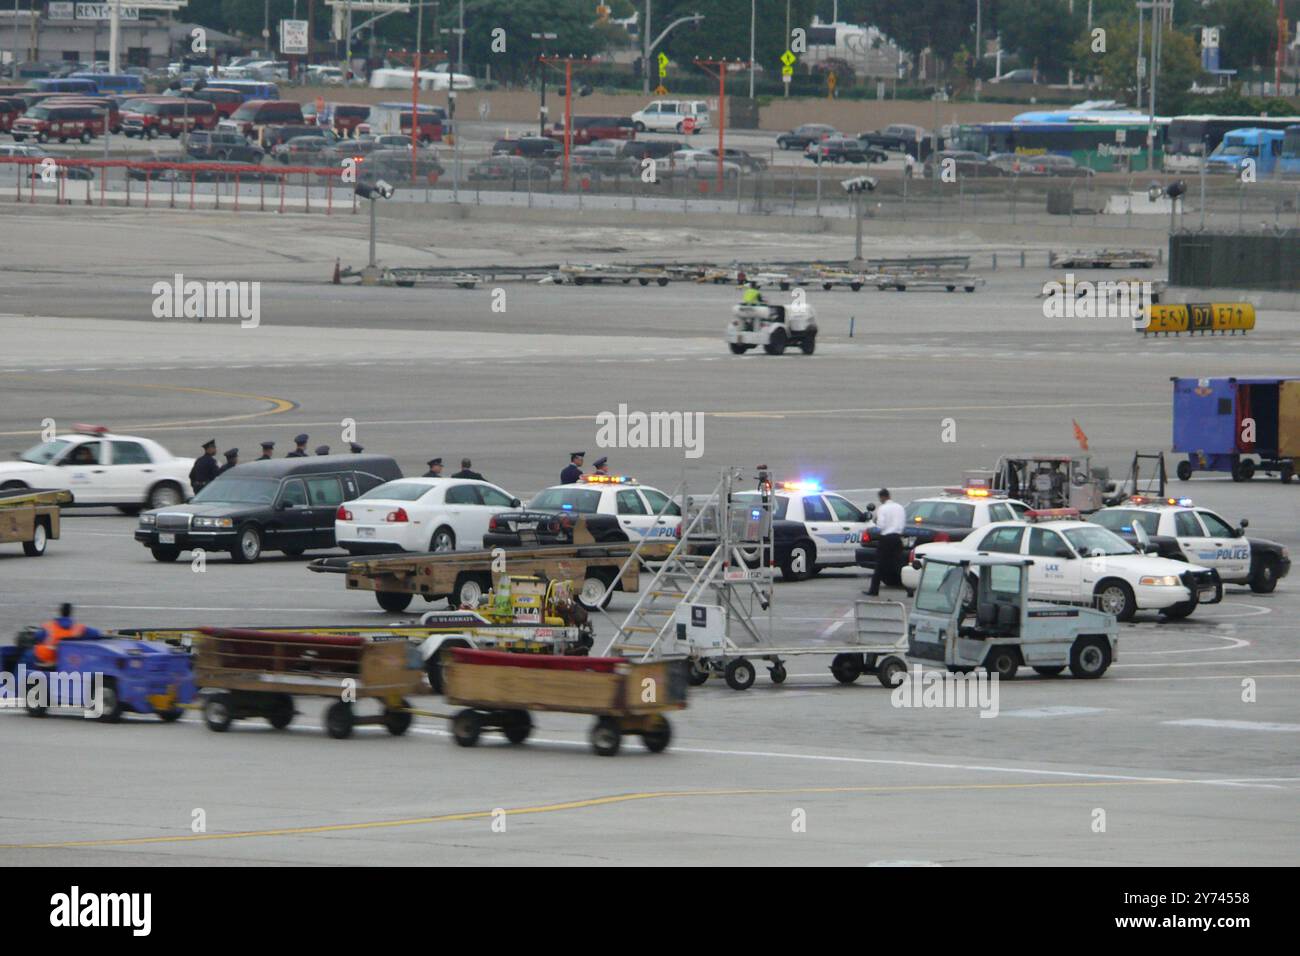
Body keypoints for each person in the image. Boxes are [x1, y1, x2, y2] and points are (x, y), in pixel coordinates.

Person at [32, 603, 101, 666]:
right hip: (70, 661)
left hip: (49, 659)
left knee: (28, 653)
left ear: (60, 612)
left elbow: (37, 637)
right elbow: (96, 633)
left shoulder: (49, 626)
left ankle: (24, 675)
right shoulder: (79, 628)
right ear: (70, 613)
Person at [866, 488, 905, 596]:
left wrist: (876, 521)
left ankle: (874, 590)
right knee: (899, 564)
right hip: (897, 538)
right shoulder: (900, 507)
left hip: (886, 539)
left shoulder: (882, 508)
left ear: (882, 497)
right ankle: (909, 588)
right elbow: (902, 524)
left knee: (879, 565)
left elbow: (881, 525)